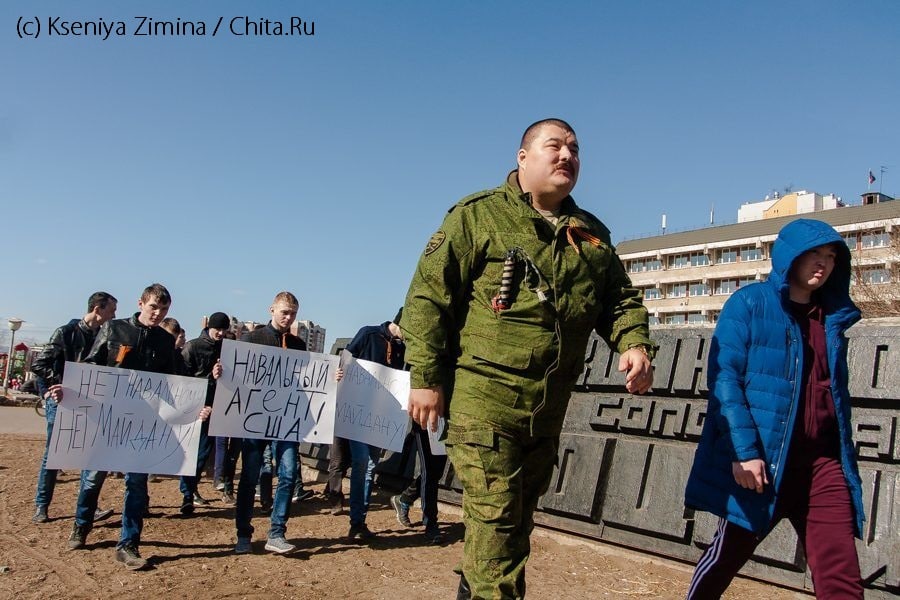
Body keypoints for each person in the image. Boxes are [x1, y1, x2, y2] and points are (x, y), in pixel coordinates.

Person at [402, 118, 655, 599]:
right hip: (485, 403)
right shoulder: (478, 216)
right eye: (554, 146)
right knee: (497, 524)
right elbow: (429, 297)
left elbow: (619, 301)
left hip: (546, 412)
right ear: (523, 157)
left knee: (512, 528)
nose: (567, 156)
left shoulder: (591, 235)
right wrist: (426, 378)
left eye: (574, 149)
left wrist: (634, 344)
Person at [684, 219, 865, 599]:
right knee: (724, 560)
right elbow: (725, 379)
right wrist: (744, 452)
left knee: (841, 575)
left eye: (831, 256)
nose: (823, 263)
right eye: (814, 253)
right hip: (764, 463)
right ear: (790, 255)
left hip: (822, 466)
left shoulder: (831, 319)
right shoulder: (749, 304)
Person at [67, 283, 211, 571]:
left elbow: (175, 382)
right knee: (93, 478)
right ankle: (82, 524)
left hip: (144, 424)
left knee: (136, 483)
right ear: (141, 304)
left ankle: (129, 543)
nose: (158, 313)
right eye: (153, 307)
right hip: (109, 420)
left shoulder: (164, 341)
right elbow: (91, 366)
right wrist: (70, 390)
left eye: (164, 309)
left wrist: (196, 408)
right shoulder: (114, 329)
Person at [30, 291, 118, 524]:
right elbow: (40, 364)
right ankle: (42, 505)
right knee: (53, 456)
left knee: (88, 456)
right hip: (61, 401)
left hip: (89, 403)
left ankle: (88, 508)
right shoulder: (65, 333)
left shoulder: (104, 336)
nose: (114, 315)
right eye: (111, 310)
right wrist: (58, 383)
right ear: (98, 309)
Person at [233, 291, 305, 555]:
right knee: (250, 475)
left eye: (293, 313)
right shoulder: (252, 339)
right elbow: (237, 375)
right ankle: (243, 533)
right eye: (285, 312)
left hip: (285, 420)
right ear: (271, 310)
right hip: (256, 419)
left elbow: (307, 381)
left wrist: (332, 378)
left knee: (288, 473)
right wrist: (220, 372)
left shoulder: (299, 346)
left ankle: (277, 533)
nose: (288, 318)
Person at [339, 309, 406, 541]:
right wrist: (339, 373)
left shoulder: (401, 348)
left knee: (369, 467)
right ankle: (356, 522)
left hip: (379, 416)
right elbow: (345, 359)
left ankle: (359, 521)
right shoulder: (367, 334)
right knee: (362, 463)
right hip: (357, 414)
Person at [177, 311, 229, 515]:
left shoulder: (226, 349)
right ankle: (187, 494)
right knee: (191, 453)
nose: (221, 333)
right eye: (218, 329)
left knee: (202, 454)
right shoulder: (193, 346)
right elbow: (183, 377)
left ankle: (190, 490)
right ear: (209, 328)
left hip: (215, 407)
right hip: (193, 407)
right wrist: (210, 377)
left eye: (224, 330)